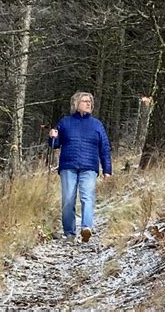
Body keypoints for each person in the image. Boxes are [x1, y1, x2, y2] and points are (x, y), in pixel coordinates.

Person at [49, 91, 112, 243]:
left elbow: (104, 148)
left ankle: (86, 228)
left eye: (90, 101)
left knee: (87, 197)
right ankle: (69, 233)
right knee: (68, 200)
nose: (88, 103)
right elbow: (55, 145)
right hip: (68, 165)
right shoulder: (65, 122)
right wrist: (52, 135)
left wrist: (107, 170)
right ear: (76, 104)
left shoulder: (97, 125)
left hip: (89, 167)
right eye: (84, 101)